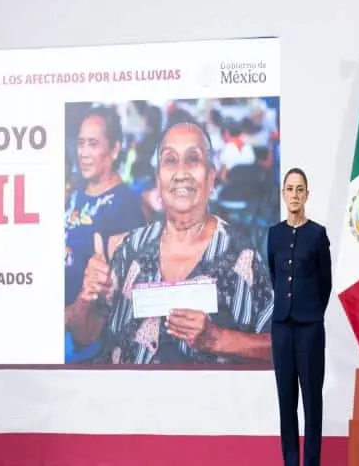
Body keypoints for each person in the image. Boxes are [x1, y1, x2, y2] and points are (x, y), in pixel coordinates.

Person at [66, 119, 274, 364]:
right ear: (158, 180)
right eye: (170, 160)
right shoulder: (131, 248)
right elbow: (84, 336)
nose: (181, 173)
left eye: (193, 159)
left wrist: (217, 339)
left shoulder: (239, 256)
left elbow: (280, 345)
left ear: (211, 177)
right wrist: (86, 296)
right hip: (125, 388)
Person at [63, 105, 146, 363]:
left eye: (93, 144)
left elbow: (116, 295)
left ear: (114, 149)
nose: (83, 153)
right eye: (81, 144)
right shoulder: (75, 191)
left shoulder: (125, 206)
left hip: (84, 338)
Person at [267, 167, 331, 466]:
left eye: (299, 189)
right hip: (282, 328)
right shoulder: (274, 234)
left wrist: (311, 312)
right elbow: (274, 276)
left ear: (307, 195)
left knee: (312, 401)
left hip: (310, 329)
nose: (294, 195)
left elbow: (325, 283)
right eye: (290, 189)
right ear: (283, 194)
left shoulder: (317, 234)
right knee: (286, 401)